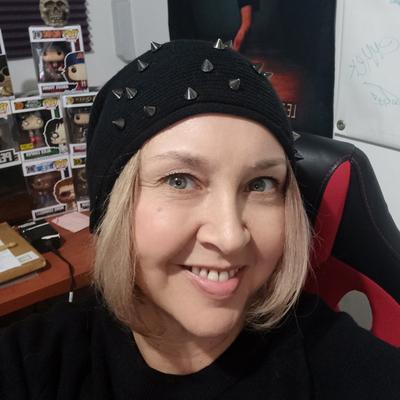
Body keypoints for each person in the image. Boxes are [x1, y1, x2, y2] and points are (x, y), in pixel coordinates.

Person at [0, 39, 399, 399]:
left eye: (260, 184)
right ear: (112, 207)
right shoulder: (32, 362)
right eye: (180, 180)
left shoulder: (346, 367)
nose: (230, 237)